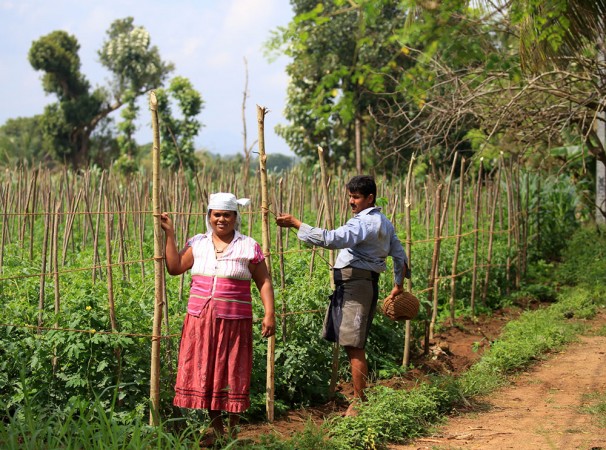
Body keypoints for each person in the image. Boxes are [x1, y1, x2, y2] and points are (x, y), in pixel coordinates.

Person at [276, 175, 409, 416]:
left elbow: (331, 239)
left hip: (356, 285)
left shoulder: (363, 223)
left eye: (356, 197)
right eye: (350, 196)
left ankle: (359, 402)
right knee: (351, 342)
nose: (351, 201)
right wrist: (398, 284)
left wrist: (297, 223)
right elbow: (400, 255)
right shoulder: (385, 222)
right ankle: (359, 398)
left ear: (370, 198)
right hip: (360, 284)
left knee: (353, 344)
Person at [160, 193, 275, 446]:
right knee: (208, 372)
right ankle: (218, 429)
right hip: (200, 320)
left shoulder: (248, 246)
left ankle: (233, 429)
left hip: (234, 322)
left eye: (227, 215)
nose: (221, 220)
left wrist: (269, 314)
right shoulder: (198, 243)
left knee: (232, 372)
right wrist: (169, 233)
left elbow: (264, 281)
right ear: (209, 216)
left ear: (235, 217)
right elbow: (174, 267)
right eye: (217, 215)